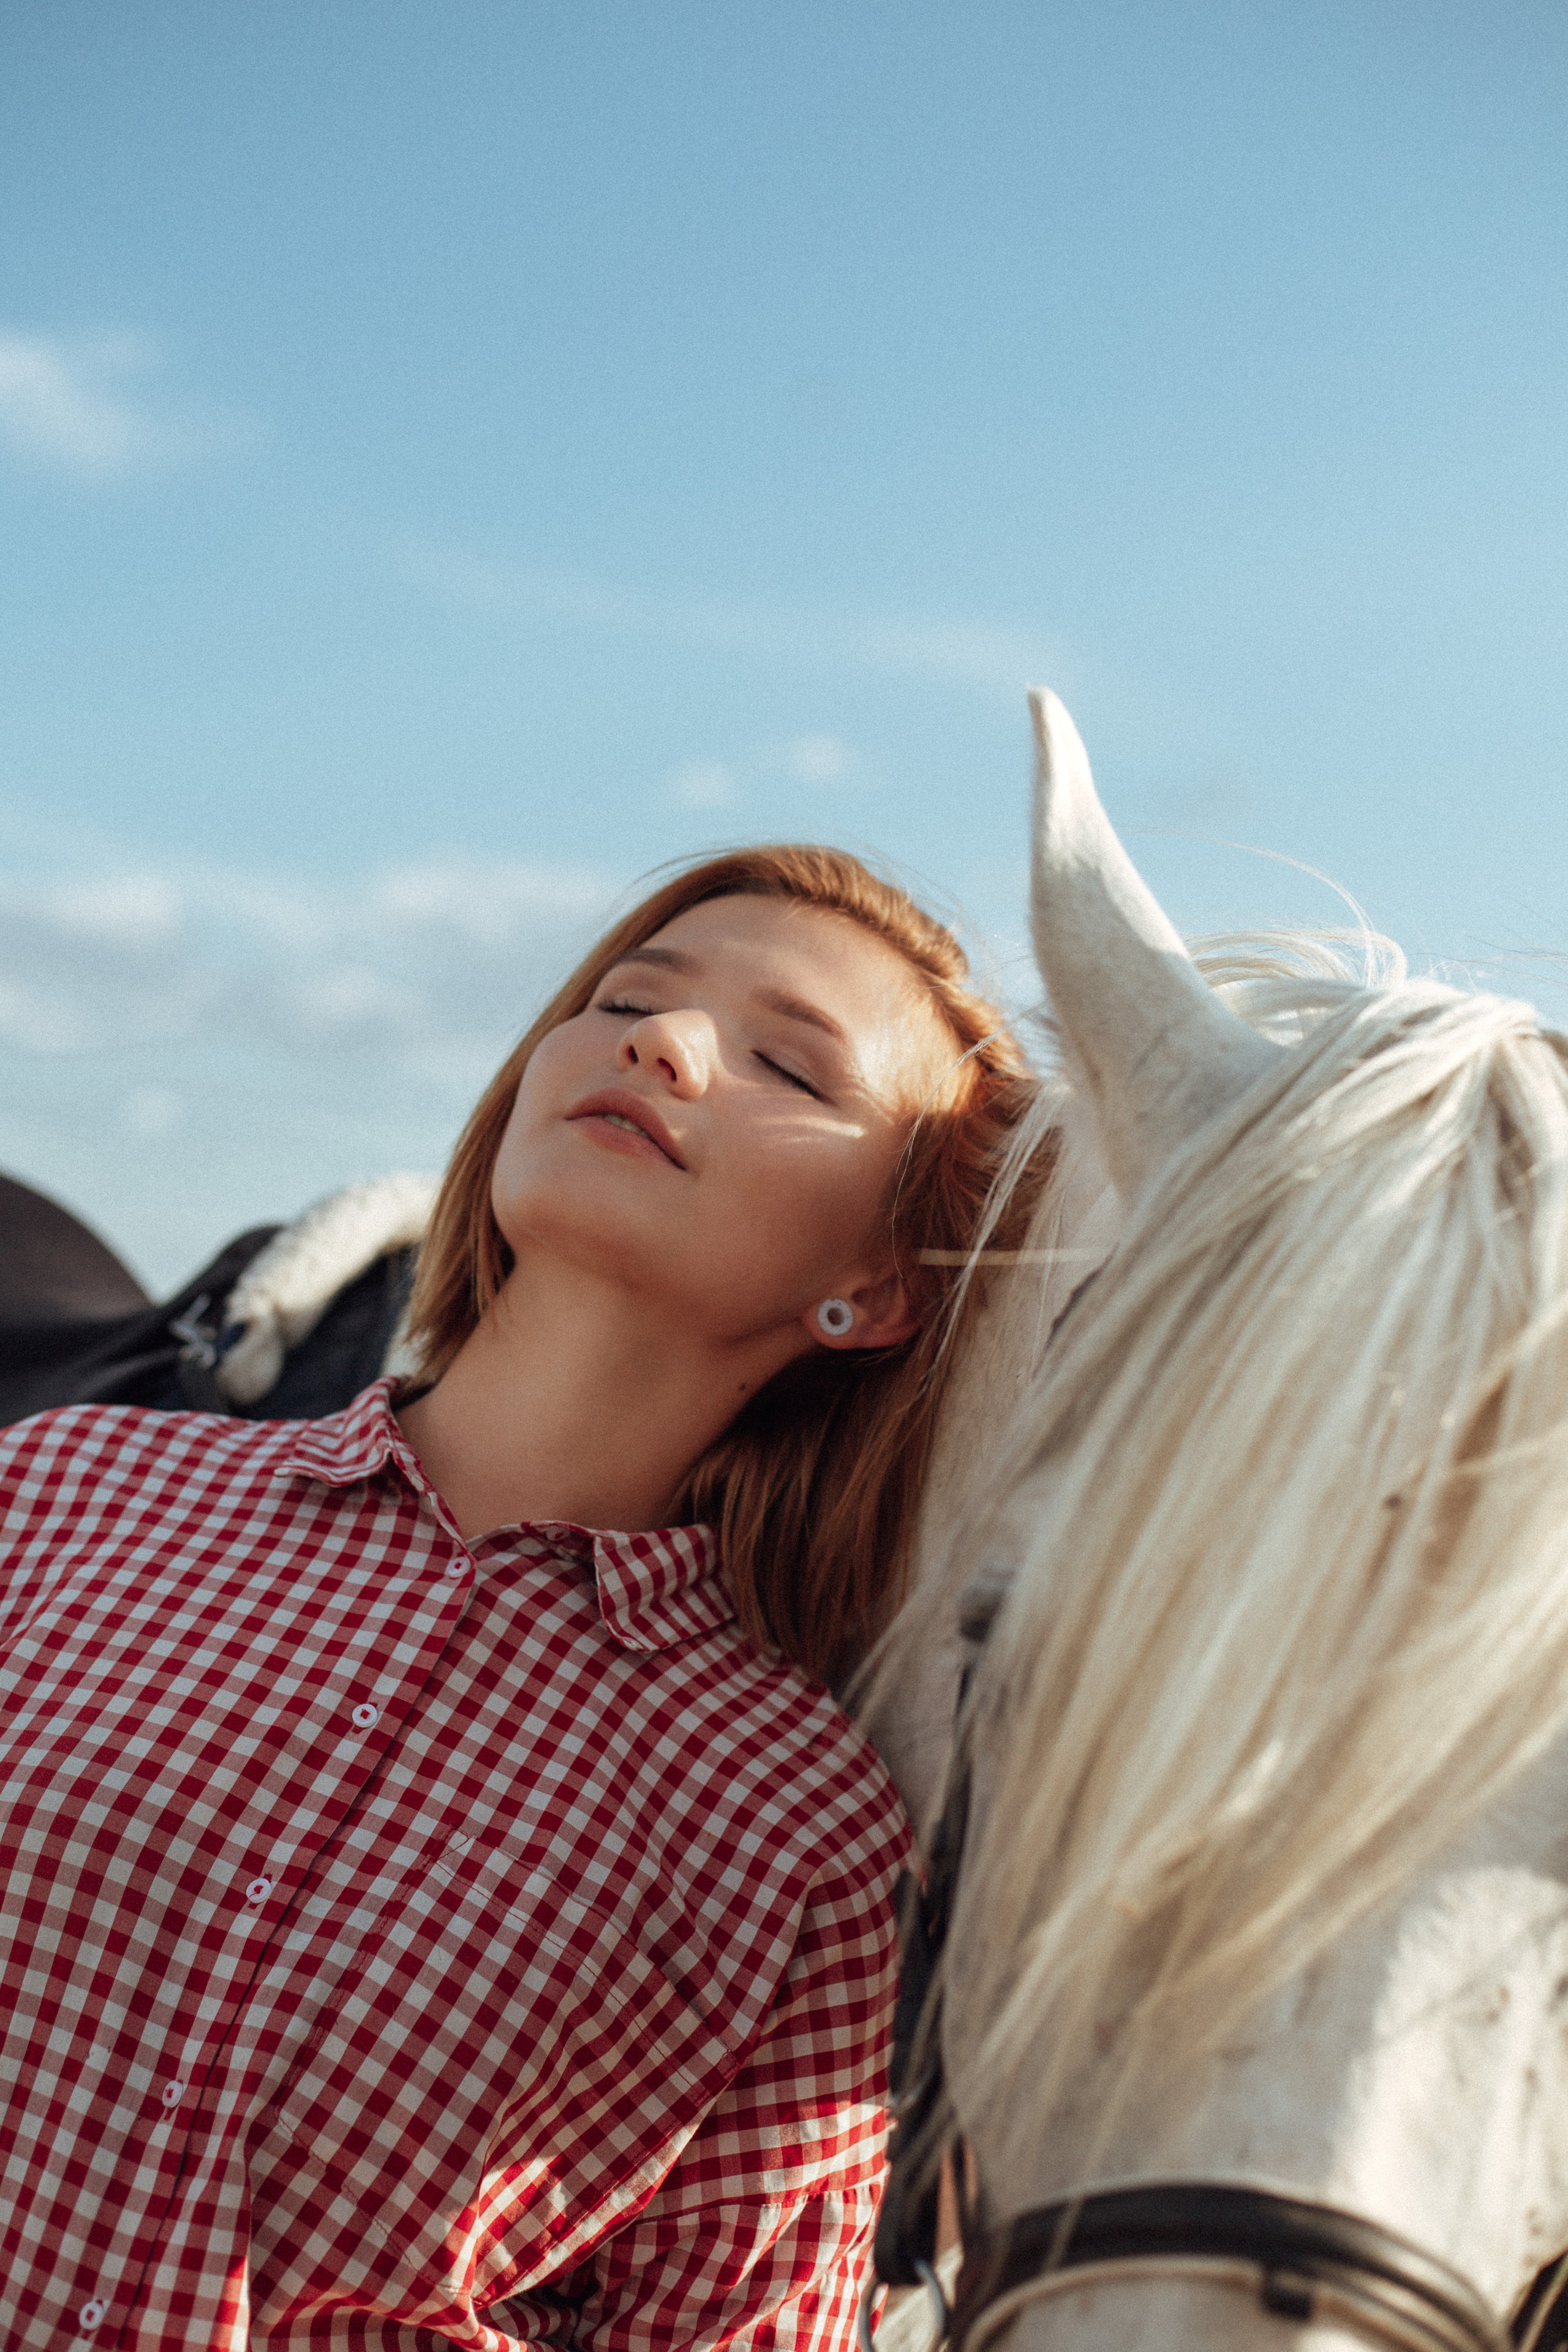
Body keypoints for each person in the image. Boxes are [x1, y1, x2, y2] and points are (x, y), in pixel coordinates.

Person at [0, 845, 1035, 2352]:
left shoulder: (797, 1836)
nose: (660, 1044)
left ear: (873, 1286)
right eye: (627, 998)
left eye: (787, 1066)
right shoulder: (66, 1494)